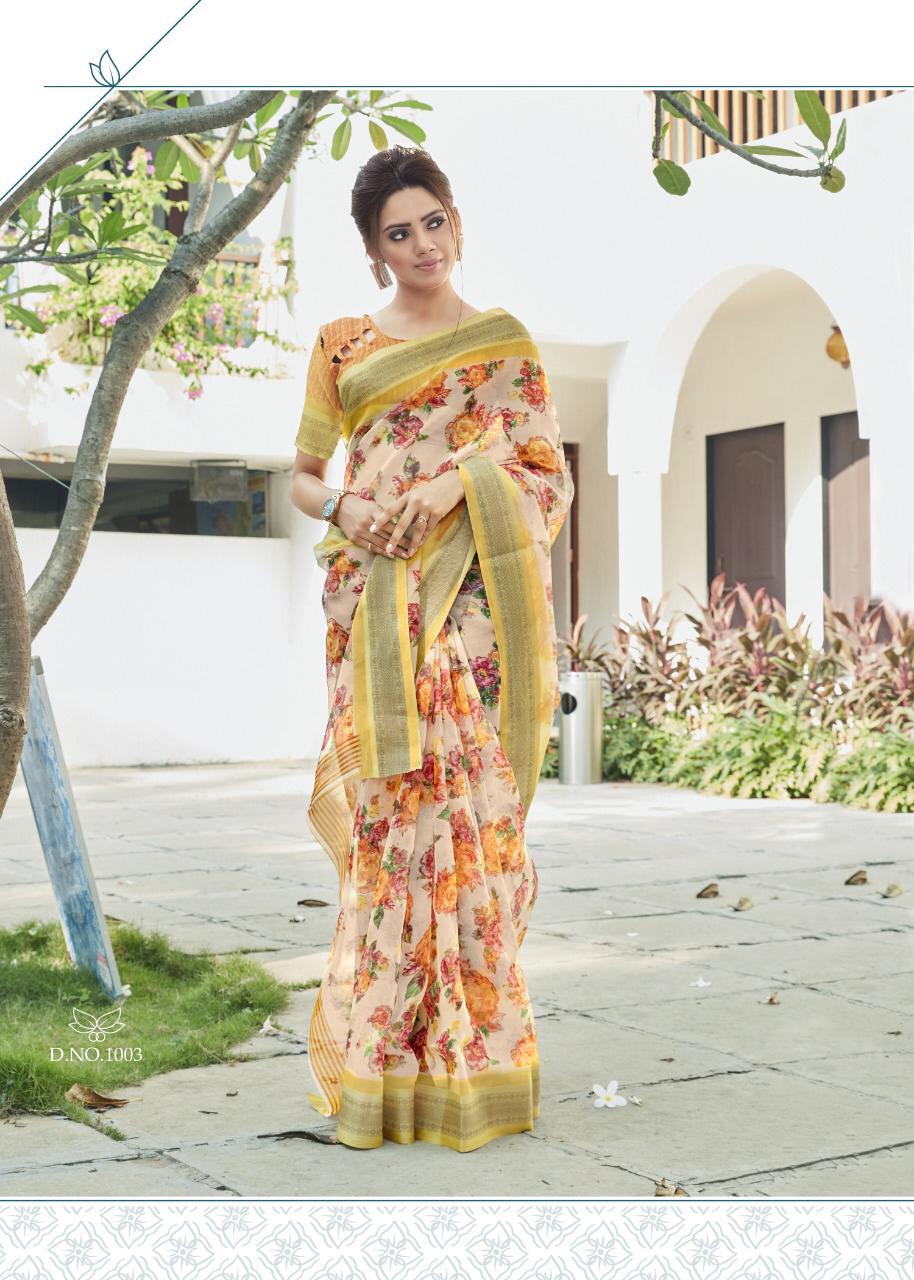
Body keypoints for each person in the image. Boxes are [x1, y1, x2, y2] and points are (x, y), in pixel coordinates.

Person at [290, 145, 574, 1153]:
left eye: (432, 221)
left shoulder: (503, 345)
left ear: (456, 219)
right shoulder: (343, 346)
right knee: (392, 834)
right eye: (398, 233)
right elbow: (303, 476)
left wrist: (459, 481)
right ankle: (383, 1068)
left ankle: (473, 1065)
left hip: (470, 615)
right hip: (374, 611)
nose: (422, 244)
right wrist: (352, 508)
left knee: (468, 830)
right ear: (374, 250)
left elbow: (542, 474)